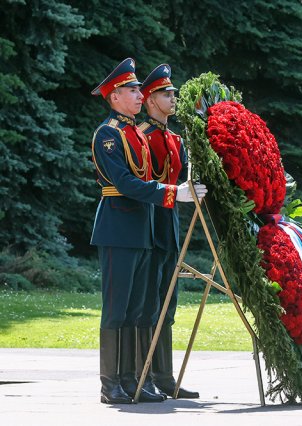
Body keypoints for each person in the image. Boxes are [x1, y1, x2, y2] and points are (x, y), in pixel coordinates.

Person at [90, 58, 206, 404]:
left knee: (138, 308)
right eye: (132, 90)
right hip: (118, 226)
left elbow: (147, 178)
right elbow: (126, 182)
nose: (140, 95)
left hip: (140, 227)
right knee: (116, 307)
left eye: (140, 89)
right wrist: (173, 193)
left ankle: (131, 380)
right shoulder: (109, 134)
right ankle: (110, 383)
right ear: (114, 97)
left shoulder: (133, 133)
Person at [137, 64, 198, 399]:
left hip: (169, 223)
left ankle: (163, 375)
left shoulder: (175, 139)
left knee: (167, 301)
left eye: (173, 93)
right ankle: (143, 375)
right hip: (147, 222)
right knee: (148, 302)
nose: (172, 98)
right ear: (149, 100)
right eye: (165, 94)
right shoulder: (141, 137)